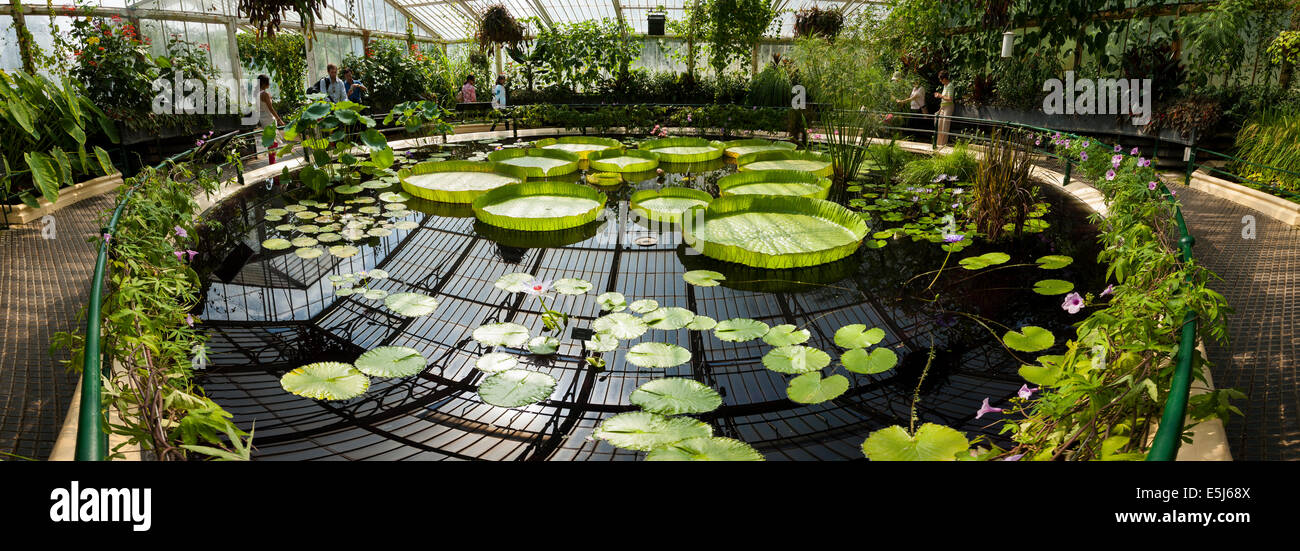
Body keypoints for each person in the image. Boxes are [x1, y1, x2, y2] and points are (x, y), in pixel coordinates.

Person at [256, 74, 284, 164]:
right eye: (268, 82)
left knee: (271, 141)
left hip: (263, 119)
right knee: (273, 142)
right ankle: (272, 162)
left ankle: (272, 161)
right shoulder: (265, 94)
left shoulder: (257, 94)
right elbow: (271, 108)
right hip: (269, 119)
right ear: (264, 83)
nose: (269, 84)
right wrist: (279, 119)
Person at [933, 70, 955, 148]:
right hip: (943, 107)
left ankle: (943, 145)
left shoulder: (950, 86)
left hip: (948, 107)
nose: (940, 81)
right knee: (939, 125)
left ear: (945, 79)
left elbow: (950, 98)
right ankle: (938, 144)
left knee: (945, 126)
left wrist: (940, 96)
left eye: (941, 79)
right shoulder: (945, 86)